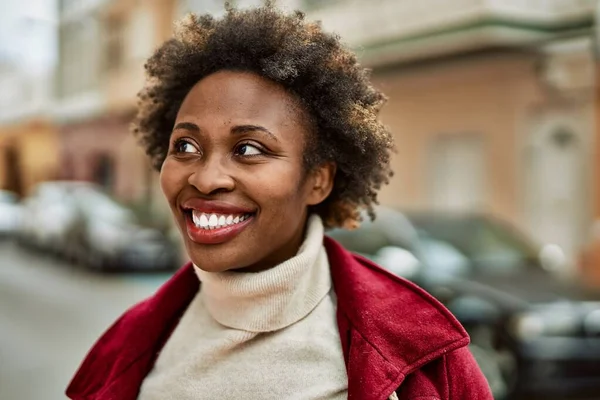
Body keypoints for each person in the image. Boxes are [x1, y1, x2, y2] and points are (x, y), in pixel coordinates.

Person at [66, 3, 492, 400]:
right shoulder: (127, 348)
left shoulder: (428, 364)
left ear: (318, 181)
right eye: (186, 146)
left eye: (249, 149)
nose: (206, 177)